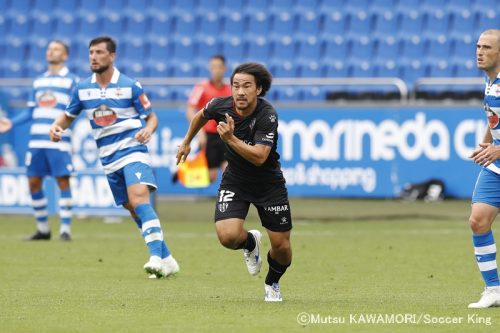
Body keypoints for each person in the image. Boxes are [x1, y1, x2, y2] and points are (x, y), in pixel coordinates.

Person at [49, 36, 179, 278]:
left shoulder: (130, 85)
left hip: (132, 151)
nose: (94, 57)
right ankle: (168, 258)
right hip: (108, 159)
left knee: (139, 199)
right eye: (90, 53)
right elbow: (67, 117)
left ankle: (155, 258)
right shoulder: (83, 88)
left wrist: (148, 130)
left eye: (99, 52)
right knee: (132, 209)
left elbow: (152, 117)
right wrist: (56, 128)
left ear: (112, 56)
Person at [176, 62, 292, 301]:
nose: (240, 91)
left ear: (258, 89)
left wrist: (230, 139)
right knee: (228, 237)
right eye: (236, 85)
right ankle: (250, 241)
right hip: (236, 181)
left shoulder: (267, 114)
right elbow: (201, 114)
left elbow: (260, 157)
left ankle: (272, 282)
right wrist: (187, 141)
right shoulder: (221, 105)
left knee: (282, 248)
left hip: (268, 184)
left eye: (246, 86)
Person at [0, 40, 78, 241]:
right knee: (33, 182)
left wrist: (66, 131)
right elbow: (30, 111)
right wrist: (11, 123)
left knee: (63, 181)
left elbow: (75, 111)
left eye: (56, 49)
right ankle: (43, 229)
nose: (51, 51)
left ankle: (65, 230)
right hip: (36, 141)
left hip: (58, 141)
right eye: (49, 49)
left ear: (65, 55)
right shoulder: (38, 81)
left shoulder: (72, 81)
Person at [467, 29, 500, 308]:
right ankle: (493, 290)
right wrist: (487, 143)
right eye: (478, 46)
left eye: (487, 47)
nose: (479, 51)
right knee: (478, 220)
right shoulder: (490, 83)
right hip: (497, 167)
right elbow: (494, 118)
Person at [186, 55, 231, 183]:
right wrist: (199, 132)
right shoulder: (202, 87)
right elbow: (190, 109)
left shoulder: (231, 89)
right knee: (211, 177)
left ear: (224, 68)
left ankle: (230, 197)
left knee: (229, 170)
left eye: (219, 67)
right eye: (213, 67)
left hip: (226, 135)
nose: (216, 70)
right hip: (209, 136)